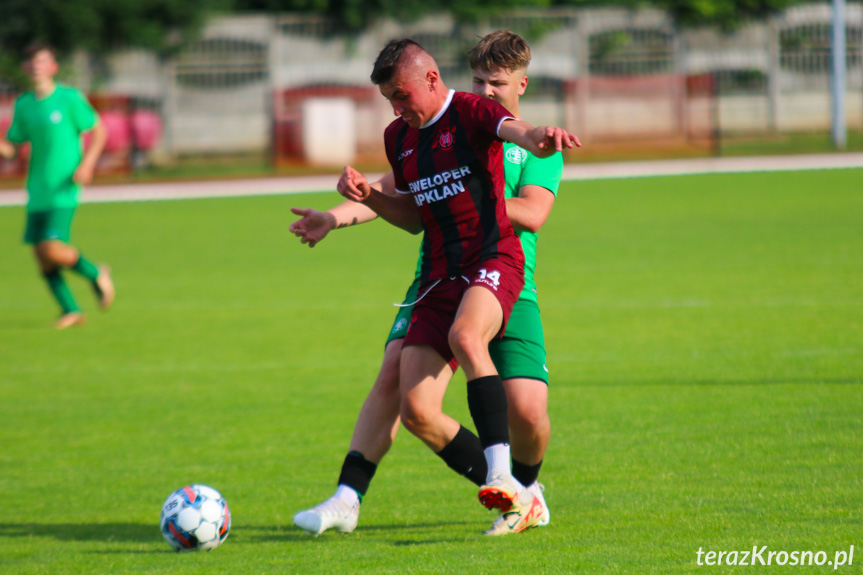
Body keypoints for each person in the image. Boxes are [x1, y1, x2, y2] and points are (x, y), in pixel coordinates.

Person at [291, 34, 577, 535]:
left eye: (498, 82)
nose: (487, 91)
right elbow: (394, 195)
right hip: (440, 275)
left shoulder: (484, 121)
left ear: (521, 84)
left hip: (506, 275)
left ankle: (526, 489)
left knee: (529, 414)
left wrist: (464, 196)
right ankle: (348, 496)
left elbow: (531, 204)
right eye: (480, 81)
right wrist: (335, 217)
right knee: (405, 389)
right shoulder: (409, 134)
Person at [0, 43, 114, 329]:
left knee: (52, 248)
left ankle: (95, 272)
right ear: (25, 69)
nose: (35, 66)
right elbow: (13, 147)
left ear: (53, 67)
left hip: (64, 186)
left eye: (42, 61)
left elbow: (98, 130)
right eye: (31, 62)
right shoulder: (24, 104)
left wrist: (87, 164)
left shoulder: (69, 98)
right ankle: (71, 310)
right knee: (41, 256)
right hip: (37, 189)